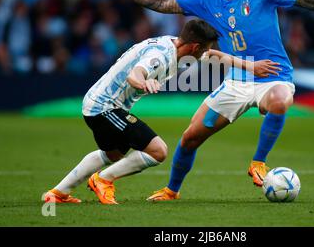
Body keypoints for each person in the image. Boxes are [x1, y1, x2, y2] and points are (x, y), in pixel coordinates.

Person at [98, 0, 314, 201]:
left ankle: (258, 162)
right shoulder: (208, 1)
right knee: (189, 139)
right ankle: (172, 190)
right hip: (236, 81)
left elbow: (306, 1)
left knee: (281, 100)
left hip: (274, 74)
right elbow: (164, 3)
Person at [42, 19, 279, 204]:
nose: (206, 52)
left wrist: (250, 66)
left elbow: (215, 56)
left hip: (99, 104)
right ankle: (103, 180)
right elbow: (136, 74)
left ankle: (57, 193)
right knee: (158, 151)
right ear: (195, 46)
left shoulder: (175, 44)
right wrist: (143, 82)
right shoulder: (160, 56)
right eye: (204, 48)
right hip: (105, 107)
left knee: (113, 155)